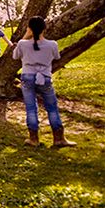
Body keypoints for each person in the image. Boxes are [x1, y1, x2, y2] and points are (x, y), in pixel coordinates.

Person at [13, 16, 76, 148]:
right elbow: (57, 56)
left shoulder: (22, 44)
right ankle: (59, 138)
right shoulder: (52, 44)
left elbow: (15, 56)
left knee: (31, 109)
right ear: (44, 28)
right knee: (52, 108)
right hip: (45, 77)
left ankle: (33, 139)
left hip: (27, 76)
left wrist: (25, 36)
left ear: (29, 28)